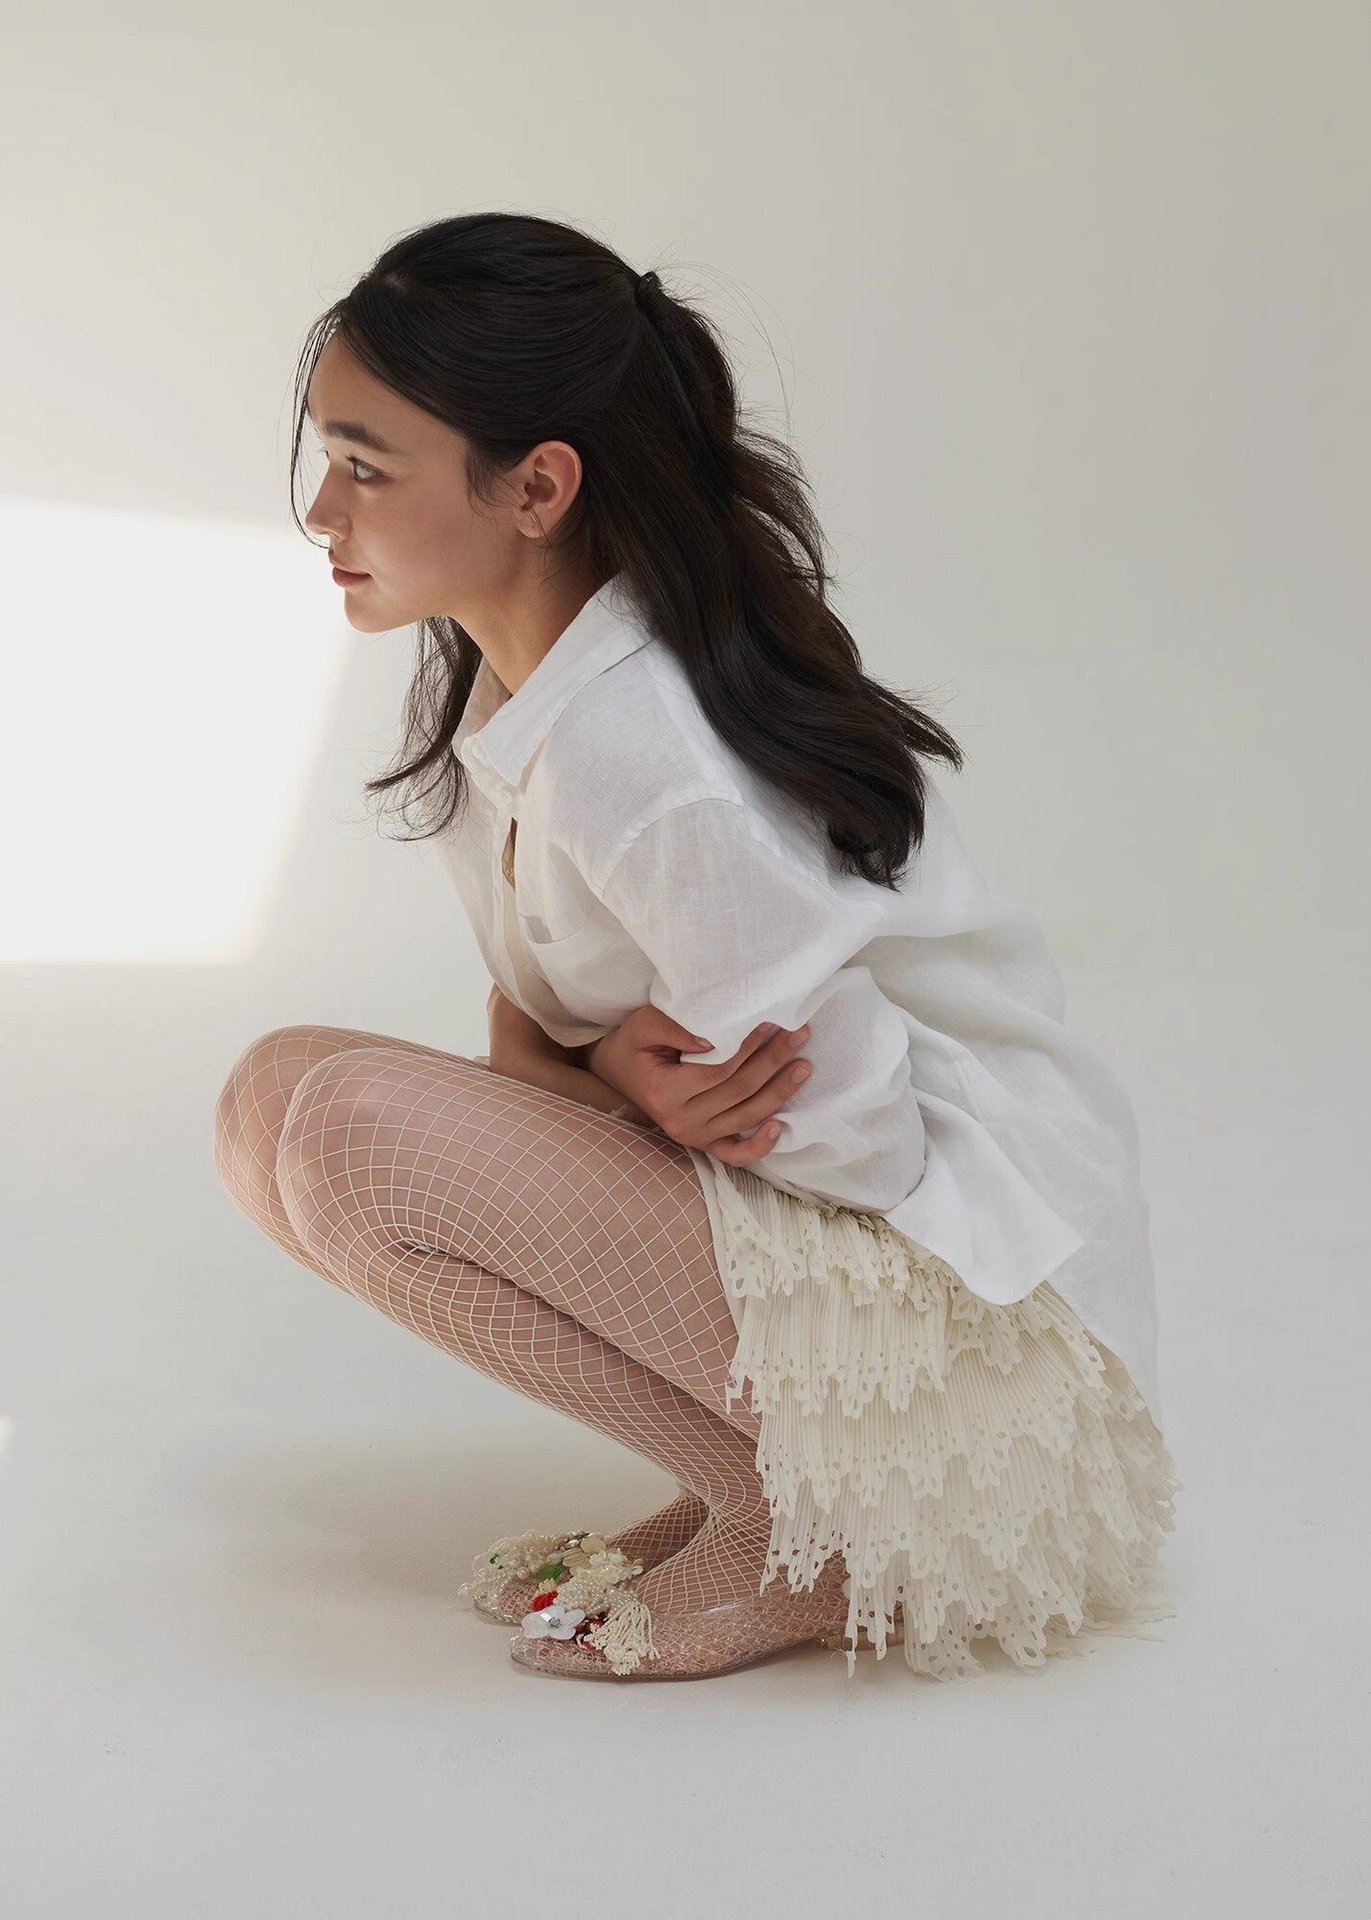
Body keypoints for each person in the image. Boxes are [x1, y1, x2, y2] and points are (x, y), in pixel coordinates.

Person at [213, 210, 1181, 1685]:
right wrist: (602, 1068)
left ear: (537, 487)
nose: (319, 512)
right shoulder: (515, 691)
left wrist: (593, 1077)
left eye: (366, 465)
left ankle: (826, 1523)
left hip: (982, 1333)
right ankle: (755, 1483)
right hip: (856, 1253)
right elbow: (537, 1028)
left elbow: (858, 1141)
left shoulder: (641, 743)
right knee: (269, 1098)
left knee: (347, 1132)